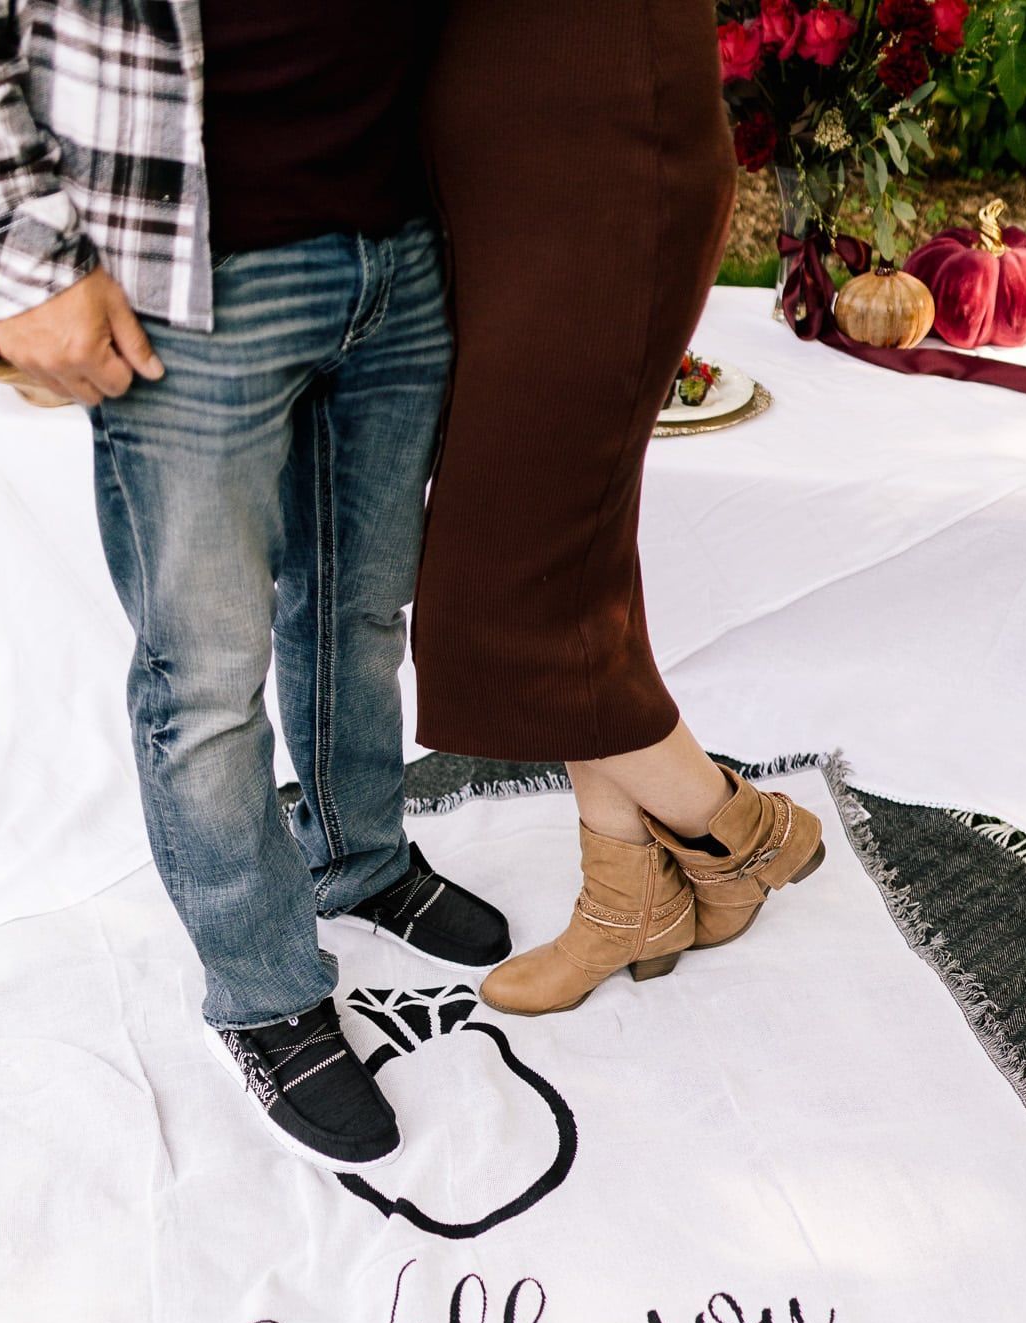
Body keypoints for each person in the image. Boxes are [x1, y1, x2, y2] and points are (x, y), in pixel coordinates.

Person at [0, 2, 510, 1170]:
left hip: (405, 241)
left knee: (361, 605)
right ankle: (262, 988)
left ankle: (357, 854)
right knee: (204, 671)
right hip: (187, 270)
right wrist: (17, 249)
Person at [415, 0, 825, 1019]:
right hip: (494, 176)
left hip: (601, 168)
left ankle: (743, 825)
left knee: (503, 598)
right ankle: (629, 899)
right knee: (575, 574)